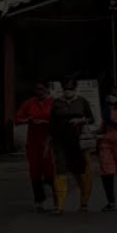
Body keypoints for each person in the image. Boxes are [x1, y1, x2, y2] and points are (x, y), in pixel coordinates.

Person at [49, 79, 95, 214]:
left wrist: (80, 120)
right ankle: (60, 206)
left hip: (78, 141)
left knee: (81, 171)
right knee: (60, 170)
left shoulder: (82, 101)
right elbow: (52, 122)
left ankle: (84, 203)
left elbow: (91, 118)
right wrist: (50, 139)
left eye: (70, 88)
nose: (68, 91)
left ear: (75, 88)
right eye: (66, 88)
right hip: (60, 141)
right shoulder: (57, 102)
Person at [15, 82, 56, 212]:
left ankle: (57, 197)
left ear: (47, 90)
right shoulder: (29, 103)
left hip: (49, 139)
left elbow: (60, 121)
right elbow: (18, 119)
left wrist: (45, 122)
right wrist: (28, 120)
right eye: (36, 89)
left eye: (41, 89)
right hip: (33, 141)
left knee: (50, 169)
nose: (39, 92)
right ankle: (39, 200)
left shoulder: (54, 103)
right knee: (35, 171)